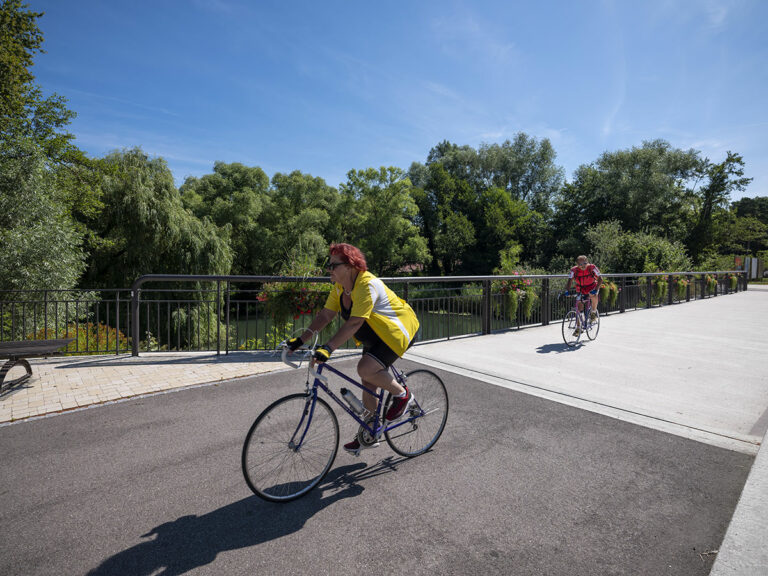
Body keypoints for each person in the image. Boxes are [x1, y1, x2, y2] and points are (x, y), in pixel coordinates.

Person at [285, 243, 420, 455]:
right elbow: (326, 315)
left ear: (350, 265)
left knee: (365, 368)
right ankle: (371, 431)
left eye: (333, 265)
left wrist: (328, 348)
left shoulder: (366, 285)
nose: (329, 269)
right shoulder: (340, 287)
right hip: (376, 337)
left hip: (397, 332)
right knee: (369, 382)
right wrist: (300, 340)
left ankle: (403, 395)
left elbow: (355, 322)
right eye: (328, 265)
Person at [564, 255, 602, 336]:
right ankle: (579, 327)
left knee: (593, 296)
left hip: (592, 286)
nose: (583, 266)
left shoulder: (592, 267)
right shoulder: (573, 270)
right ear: (577, 264)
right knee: (579, 307)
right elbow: (569, 281)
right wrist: (567, 290)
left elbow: (600, 279)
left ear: (587, 262)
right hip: (581, 289)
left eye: (584, 263)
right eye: (580, 264)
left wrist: (596, 289)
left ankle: (593, 312)